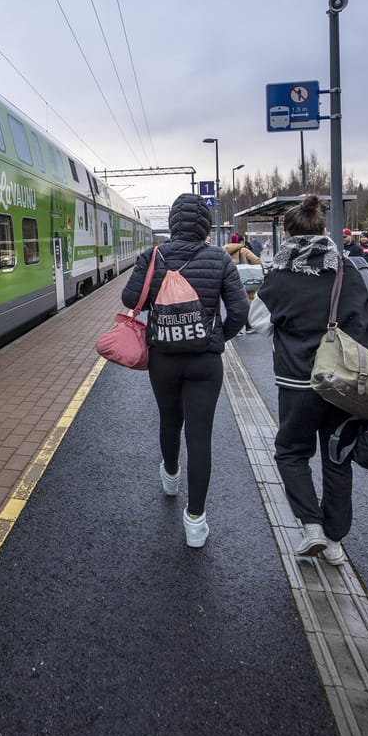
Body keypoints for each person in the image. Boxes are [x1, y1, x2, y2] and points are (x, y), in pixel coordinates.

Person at [247, 196, 368, 565]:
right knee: (337, 458)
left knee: (291, 452)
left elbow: (257, 322)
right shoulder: (358, 270)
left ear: (287, 234)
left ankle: (311, 525)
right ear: (324, 230)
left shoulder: (279, 276)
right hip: (349, 387)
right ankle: (334, 542)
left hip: (298, 387)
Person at [120, 194, 249, 548]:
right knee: (200, 435)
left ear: (174, 223)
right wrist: (218, 334)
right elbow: (239, 311)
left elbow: (131, 300)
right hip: (205, 362)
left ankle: (171, 476)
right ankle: (195, 521)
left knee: (169, 420)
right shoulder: (220, 258)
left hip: (163, 358)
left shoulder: (152, 257)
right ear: (205, 225)